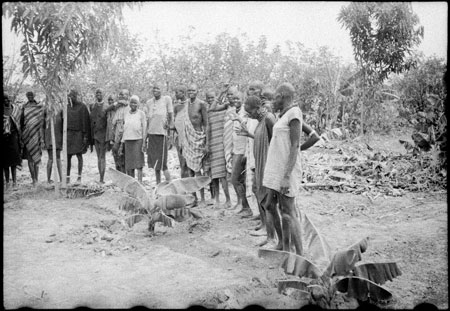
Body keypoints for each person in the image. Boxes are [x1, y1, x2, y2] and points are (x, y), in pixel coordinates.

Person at [262, 82, 320, 255]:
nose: (272, 102)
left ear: (281, 96)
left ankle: (300, 254)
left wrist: (287, 175)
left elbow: (295, 145)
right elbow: (293, 144)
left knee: (288, 210)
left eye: (274, 98)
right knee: (270, 204)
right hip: (277, 168)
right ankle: (284, 244)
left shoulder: (294, 113)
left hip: (286, 170)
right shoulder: (285, 115)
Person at [237, 95, 282, 249]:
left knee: (270, 204)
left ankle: (277, 240)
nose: (250, 115)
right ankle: (270, 237)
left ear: (258, 108)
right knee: (265, 203)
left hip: (269, 168)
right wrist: (247, 134)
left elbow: (277, 143)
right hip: (261, 166)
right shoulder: (260, 121)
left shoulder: (269, 119)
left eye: (251, 112)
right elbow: (261, 139)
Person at [181, 83, 209, 207]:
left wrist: (207, 143)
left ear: (197, 92)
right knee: (190, 171)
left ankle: (203, 198)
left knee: (198, 171)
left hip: (198, 139)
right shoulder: (185, 104)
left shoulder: (201, 104)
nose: (190, 92)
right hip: (188, 140)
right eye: (189, 90)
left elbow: (206, 124)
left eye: (193, 90)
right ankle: (194, 198)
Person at [205, 89, 231, 208]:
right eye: (208, 98)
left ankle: (228, 199)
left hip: (221, 144)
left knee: (222, 175)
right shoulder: (208, 111)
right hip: (212, 144)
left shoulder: (224, 108)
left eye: (212, 97)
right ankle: (216, 199)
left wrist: (221, 93)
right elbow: (207, 129)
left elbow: (216, 106)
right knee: (213, 174)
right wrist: (207, 144)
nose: (211, 100)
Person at [144, 83, 173, 184]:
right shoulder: (149, 103)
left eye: (158, 88)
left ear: (162, 90)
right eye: (154, 89)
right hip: (152, 134)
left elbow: (170, 115)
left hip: (162, 134)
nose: (155, 90)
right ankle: (158, 184)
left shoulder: (166, 99)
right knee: (155, 163)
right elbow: (148, 121)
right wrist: (145, 139)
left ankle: (170, 182)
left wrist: (170, 132)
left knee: (163, 163)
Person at [119, 95, 147, 182]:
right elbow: (124, 129)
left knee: (139, 164)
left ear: (138, 104)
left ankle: (140, 183)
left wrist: (144, 142)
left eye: (135, 102)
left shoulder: (141, 114)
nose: (133, 104)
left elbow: (144, 128)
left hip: (138, 140)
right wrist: (121, 143)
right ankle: (132, 183)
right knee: (130, 165)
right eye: (131, 102)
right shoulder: (126, 114)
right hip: (128, 142)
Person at [66, 90, 91, 183]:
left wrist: (85, 137)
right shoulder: (67, 107)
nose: (70, 98)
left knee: (79, 155)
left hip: (78, 134)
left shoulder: (82, 107)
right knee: (68, 156)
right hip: (69, 134)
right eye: (69, 97)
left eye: (72, 96)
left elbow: (86, 121)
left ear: (76, 96)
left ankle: (79, 177)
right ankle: (67, 177)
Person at [21, 91, 44, 185]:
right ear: (26, 97)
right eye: (28, 95)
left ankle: (37, 179)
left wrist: (42, 137)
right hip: (27, 134)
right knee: (30, 159)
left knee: (36, 158)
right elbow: (21, 121)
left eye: (31, 95)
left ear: (34, 96)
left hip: (37, 135)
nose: (30, 97)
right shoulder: (24, 107)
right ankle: (33, 179)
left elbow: (42, 121)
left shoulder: (39, 106)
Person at [90, 88, 109, 183]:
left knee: (102, 157)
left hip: (103, 135)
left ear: (103, 94)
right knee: (98, 157)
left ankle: (102, 178)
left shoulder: (106, 106)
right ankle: (100, 178)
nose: (98, 94)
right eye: (97, 93)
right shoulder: (92, 106)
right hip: (95, 135)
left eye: (100, 93)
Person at [3, 94, 22, 189]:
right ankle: (7, 182)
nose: (7, 100)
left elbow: (19, 122)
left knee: (14, 161)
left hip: (14, 137)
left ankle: (14, 182)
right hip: (4, 139)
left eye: (8, 98)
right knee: (5, 162)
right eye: (5, 99)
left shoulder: (15, 110)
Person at [171, 84, 189, 178]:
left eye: (177, 92)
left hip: (189, 139)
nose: (176, 94)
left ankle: (191, 188)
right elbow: (175, 125)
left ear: (183, 93)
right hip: (179, 139)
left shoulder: (190, 105)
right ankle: (184, 186)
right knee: (182, 164)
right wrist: (169, 127)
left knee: (189, 164)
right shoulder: (176, 107)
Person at [110, 89, 130, 173]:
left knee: (124, 156)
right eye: (121, 94)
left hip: (126, 135)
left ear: (128, 96)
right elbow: (113, 124)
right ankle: (120, 173)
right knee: (115, 153)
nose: (122, 96)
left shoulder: (129, 108)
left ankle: (126, 175)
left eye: (124, 94)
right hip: (117, 135)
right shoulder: (117, 108)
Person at [42, 106, 63, 183]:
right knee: (51, 158)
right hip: (49, 138)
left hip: (58, 138)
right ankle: (48, 179)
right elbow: (42, 126)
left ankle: (61, 179)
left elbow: (63, 125)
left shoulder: (60, 110)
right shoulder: (46, 111)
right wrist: (43, 139)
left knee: (58, 158)